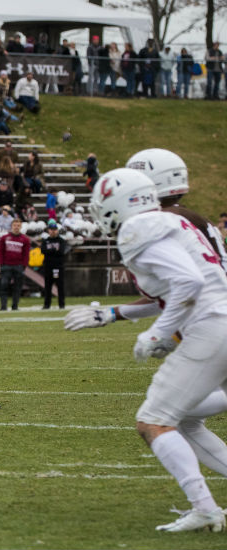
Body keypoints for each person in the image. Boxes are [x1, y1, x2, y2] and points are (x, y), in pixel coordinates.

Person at [70, 168, 227, 532]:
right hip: (219, 320)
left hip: (210, 328)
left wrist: (158, 333)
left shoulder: (137, 227)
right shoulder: (168, 222)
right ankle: (205, 506)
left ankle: (204, 507)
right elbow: (176, 290)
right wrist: (112, 314)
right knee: (183, 419)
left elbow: (188, 283)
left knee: (154, 420)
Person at [0, 219, 29, 311]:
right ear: (11, 226)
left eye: (18, 225)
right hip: (6, 265)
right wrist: (1, 264)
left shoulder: (25, 239)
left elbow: (26, 254)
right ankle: (3, 306)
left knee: (17, 287)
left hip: (18, 266)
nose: (16, 227)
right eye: (15, 225)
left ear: (21, 227)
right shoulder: (4, 238)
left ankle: (15, 306)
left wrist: (23, 265)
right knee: (4, 285)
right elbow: (1, 252)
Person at [40, 220, 67, 309]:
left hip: (58, 266)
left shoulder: (61, 240)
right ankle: (47, 305)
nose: (53, 231)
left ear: (57, 230)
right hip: (48, 266)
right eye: (51, 229)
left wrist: (50, 251)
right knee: (47, 286)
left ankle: (61, 304)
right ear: (48, 230)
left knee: (60, 286)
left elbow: (61, 252)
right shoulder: (45, 240)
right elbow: (43, 251)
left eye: (54, 229)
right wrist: (54, 250)